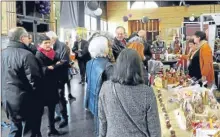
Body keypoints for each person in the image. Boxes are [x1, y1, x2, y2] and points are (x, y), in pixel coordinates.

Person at [98, 48, 161, 137]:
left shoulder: (106, 88)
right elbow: (154, 130)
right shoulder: (147, 92)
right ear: (139, 67)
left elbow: (102, 121)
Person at [1, 27, 42, 137]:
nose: (29, 40)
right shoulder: (26, 55)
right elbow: (35, 81)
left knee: (15, 128)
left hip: (7, 99)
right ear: (22, 38)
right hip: (25, 101)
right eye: (28, 38)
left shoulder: (2, 54)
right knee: (28, 131)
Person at [35, 34, 69, 136]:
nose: (48, 45)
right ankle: (41, 131)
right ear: (40, 44)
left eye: (49, 42)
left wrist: (56, 65)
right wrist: (51, 67)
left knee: (52, 108)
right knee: (42, 111)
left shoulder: (52, 52)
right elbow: (41, 70)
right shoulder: (38, 55)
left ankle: (52, 128)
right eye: (45, 43)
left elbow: (59, 61)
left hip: (53, 83)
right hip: (45, 86)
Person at [85, 36, 113, 137]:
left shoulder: (89, 63)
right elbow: (112, 88)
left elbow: (88, 82)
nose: (110, 48)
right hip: (104, 102)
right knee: (103, 128)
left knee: (97, 126)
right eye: (108, 46)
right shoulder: (108, 66)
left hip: (93, 100)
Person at [45, 31, 69, 128]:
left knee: (60, 97)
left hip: (60, 77)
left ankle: (64, 118)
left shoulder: (62, 46)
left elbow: (64, 61)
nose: (46, 42)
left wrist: (52, 67)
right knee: (53, 97)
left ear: (53, 39)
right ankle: (57, 115)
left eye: (48, 40)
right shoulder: (48, 46)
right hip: (51, 77)